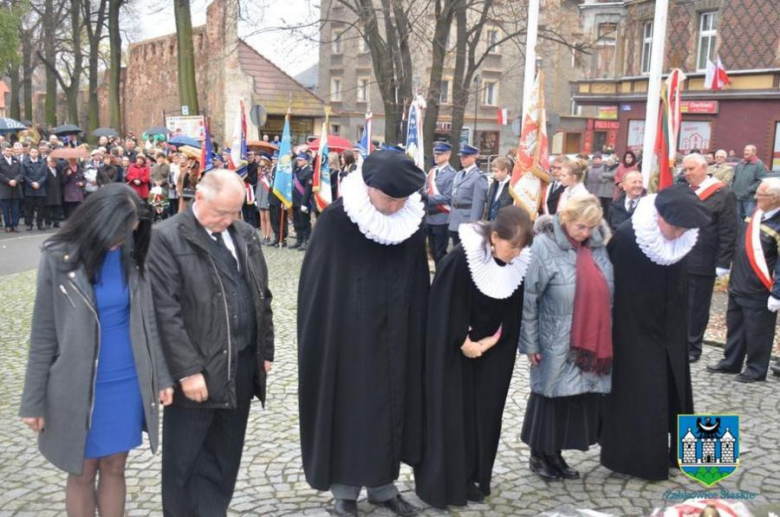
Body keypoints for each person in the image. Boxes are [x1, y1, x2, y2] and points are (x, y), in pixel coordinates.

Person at [19, 183, 174, 516]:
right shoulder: (59, 256)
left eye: (129, 234)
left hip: (127, 382)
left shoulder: (134, 255)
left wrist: (160, 377)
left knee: (116, 465)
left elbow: (149, 322)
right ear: (98, 223)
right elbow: (43, 333)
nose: (121, 242)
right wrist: (33, 401)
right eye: (118, 235)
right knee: (82, 470)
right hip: (77, 384)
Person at [298, 150, 428, 517]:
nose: (395, 206)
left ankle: (384, 487)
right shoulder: (337, 221)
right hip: (348, 339)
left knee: (392, 408)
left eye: (402, 199)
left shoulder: (410, 221)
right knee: (349, 409)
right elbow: (320, 288)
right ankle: (344, 492)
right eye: (389, 198)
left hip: (397, 335)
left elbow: (417, 280)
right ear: (369, 188)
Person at [147, 169, 275, 516]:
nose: (228, 220)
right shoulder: (167, 237)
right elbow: (165, 311)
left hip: (242, 362)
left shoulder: (245, 234)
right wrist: (187, 371)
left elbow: (261, 294)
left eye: (235, 212)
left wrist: (265, 349)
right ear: (198, 198)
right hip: (198, 370)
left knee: (224, 456)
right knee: (185, 461)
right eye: (222, 213)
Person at [415, 206, 533, 508]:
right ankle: (449, 483)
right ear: (494, 237)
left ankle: (474, 476)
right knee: (454, 417)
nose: (517, 254)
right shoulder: (460, 261)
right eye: (512, 246)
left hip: (489, 355)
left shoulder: (514, 266)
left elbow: (511, 314)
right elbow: (444, 306)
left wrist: (490, 343)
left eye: (522, 248)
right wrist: (463, 340)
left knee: (483, 416)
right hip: (455, 354)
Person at [600, 185, 712, 481]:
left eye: (683, 229)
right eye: (674, 227)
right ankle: (639, 459)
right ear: (659, 216)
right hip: (633, 327)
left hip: (671, 327)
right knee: (642, 394)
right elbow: (609, 287)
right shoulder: (627, 237)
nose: (678, 234)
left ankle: (686, 453)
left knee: (676, 388)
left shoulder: (682, 240)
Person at [519, 194, 613, 482]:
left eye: (591, 228)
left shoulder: (596, 246)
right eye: (581, 227)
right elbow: (529, 299)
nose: (586, 234)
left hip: (586, 336)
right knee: (549, 398)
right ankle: (539, 454)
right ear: (565, 220)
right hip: (553, 336)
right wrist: (530, 343)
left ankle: (556, 453)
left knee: (573, 398)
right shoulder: (544, 246)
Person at [708, 178, 780, 382]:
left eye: (760, 195)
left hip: (760, 288)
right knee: (735, 325)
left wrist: (777, 293)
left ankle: (756, 369)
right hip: (739, 281)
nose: (755, 197)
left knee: (758, 331)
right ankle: (731, 362)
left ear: (775, 199)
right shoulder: (756, 214)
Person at [681, 154, 737, 363]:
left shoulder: (722, 194)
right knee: (681, 303)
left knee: (697, 306)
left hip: (704, 259)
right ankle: (679, 342)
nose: (687, 173)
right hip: (682, 257)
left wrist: (723, 262)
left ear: (704, 168)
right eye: (685, 170)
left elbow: (729, 230)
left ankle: (693, 346)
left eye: (691, 169)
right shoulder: (687, 192)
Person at [424, 142, 457, 265]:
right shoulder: (433, 171)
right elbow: (426, 189)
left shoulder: (451, 174)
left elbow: (448, 198)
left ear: (447, 155)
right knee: (433, 252)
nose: (435, 156)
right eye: (434, 154)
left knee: (440, 254)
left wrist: (427, 197)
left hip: (441, 218)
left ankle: (442, 280)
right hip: (429, 218)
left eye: (439, 154)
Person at [449, 144, 488, 246]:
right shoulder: (458, 175)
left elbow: (478, 203)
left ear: (474, 157)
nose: (462, 159)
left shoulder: (478, 177)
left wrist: (472, 224)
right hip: (455, 219)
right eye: (461, 156)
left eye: (465, 156)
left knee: (465, 255)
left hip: (467, 220)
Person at [731, 145, 768, 227]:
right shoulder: (740, 163)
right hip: (737, 197)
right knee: (737, 221)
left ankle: (746, 238)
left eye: (748, 150)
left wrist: (749, 189)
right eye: (745, 150)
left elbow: (761, 180)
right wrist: (732, 188)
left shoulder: (759, 164)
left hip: (749, 199)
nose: (745, 152)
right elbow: (734, 177)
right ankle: (738, 238)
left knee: (749, 222)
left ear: (754, 152)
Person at [290, 153, 313, 250]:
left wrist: (304, 203)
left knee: (305, 223)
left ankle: (306, 241)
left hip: (303, 201)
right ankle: (299, 240)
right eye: (298, 160)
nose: (298, 162)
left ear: (306, 161)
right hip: (295, 200)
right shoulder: (297, 170)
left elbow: (308, 189)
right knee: (297, 222)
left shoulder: (309, 171)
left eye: (300, 160)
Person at [0, 142, 24, 232]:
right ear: (3, 151)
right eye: (7, 150)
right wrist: (8, 181)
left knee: (15, 209)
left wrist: (15, 180)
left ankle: (15, 225)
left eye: (10, 150)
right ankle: (8, 225)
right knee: (5, 209)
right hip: (4, 188)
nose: (9, 152)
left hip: (15, 188)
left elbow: (21, 173)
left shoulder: (17, 160)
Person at [23, 147, 48, 230]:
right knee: (29, 208)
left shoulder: (43, 162)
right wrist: (32, 183)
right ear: (29, 153)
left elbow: (45, 175)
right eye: (32, 152)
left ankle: (39, 224)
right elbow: (24, 175)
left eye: (36, 152)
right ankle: (29, 224)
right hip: (29, 189)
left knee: (41, 208)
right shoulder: (25, 162)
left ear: (38, 153)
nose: (34, 153)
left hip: (40, 188)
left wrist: (38, 183)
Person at [484, 156, 513, 222]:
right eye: (493, 171)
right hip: (490, 224)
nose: (494, 174)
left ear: (505, 171)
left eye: (496, 171)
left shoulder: (512, 187)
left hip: (503, 224)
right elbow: (489, 206)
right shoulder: (493, 185)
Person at [255, 154, 273, 244]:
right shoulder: (261, 173)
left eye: (262, 160)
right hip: (261, 197)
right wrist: (256, 198)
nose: (260, 161)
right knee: (262, 217)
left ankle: (268, 236)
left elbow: (270, 187)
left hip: (267, 198)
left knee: (267, 218)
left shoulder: (270, 173)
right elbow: (258, 186)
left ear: (266, 161)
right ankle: (263, 236)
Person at [44, 155, 63, 228]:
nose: (54, 163)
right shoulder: (45, 170)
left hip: (57, 191)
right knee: (48, 209)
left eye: (55, 162)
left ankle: (56, 222)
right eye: (52, 161)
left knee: (57, 207)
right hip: (48, 191)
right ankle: (47, 222)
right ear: (48, 162)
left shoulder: (58, 170)